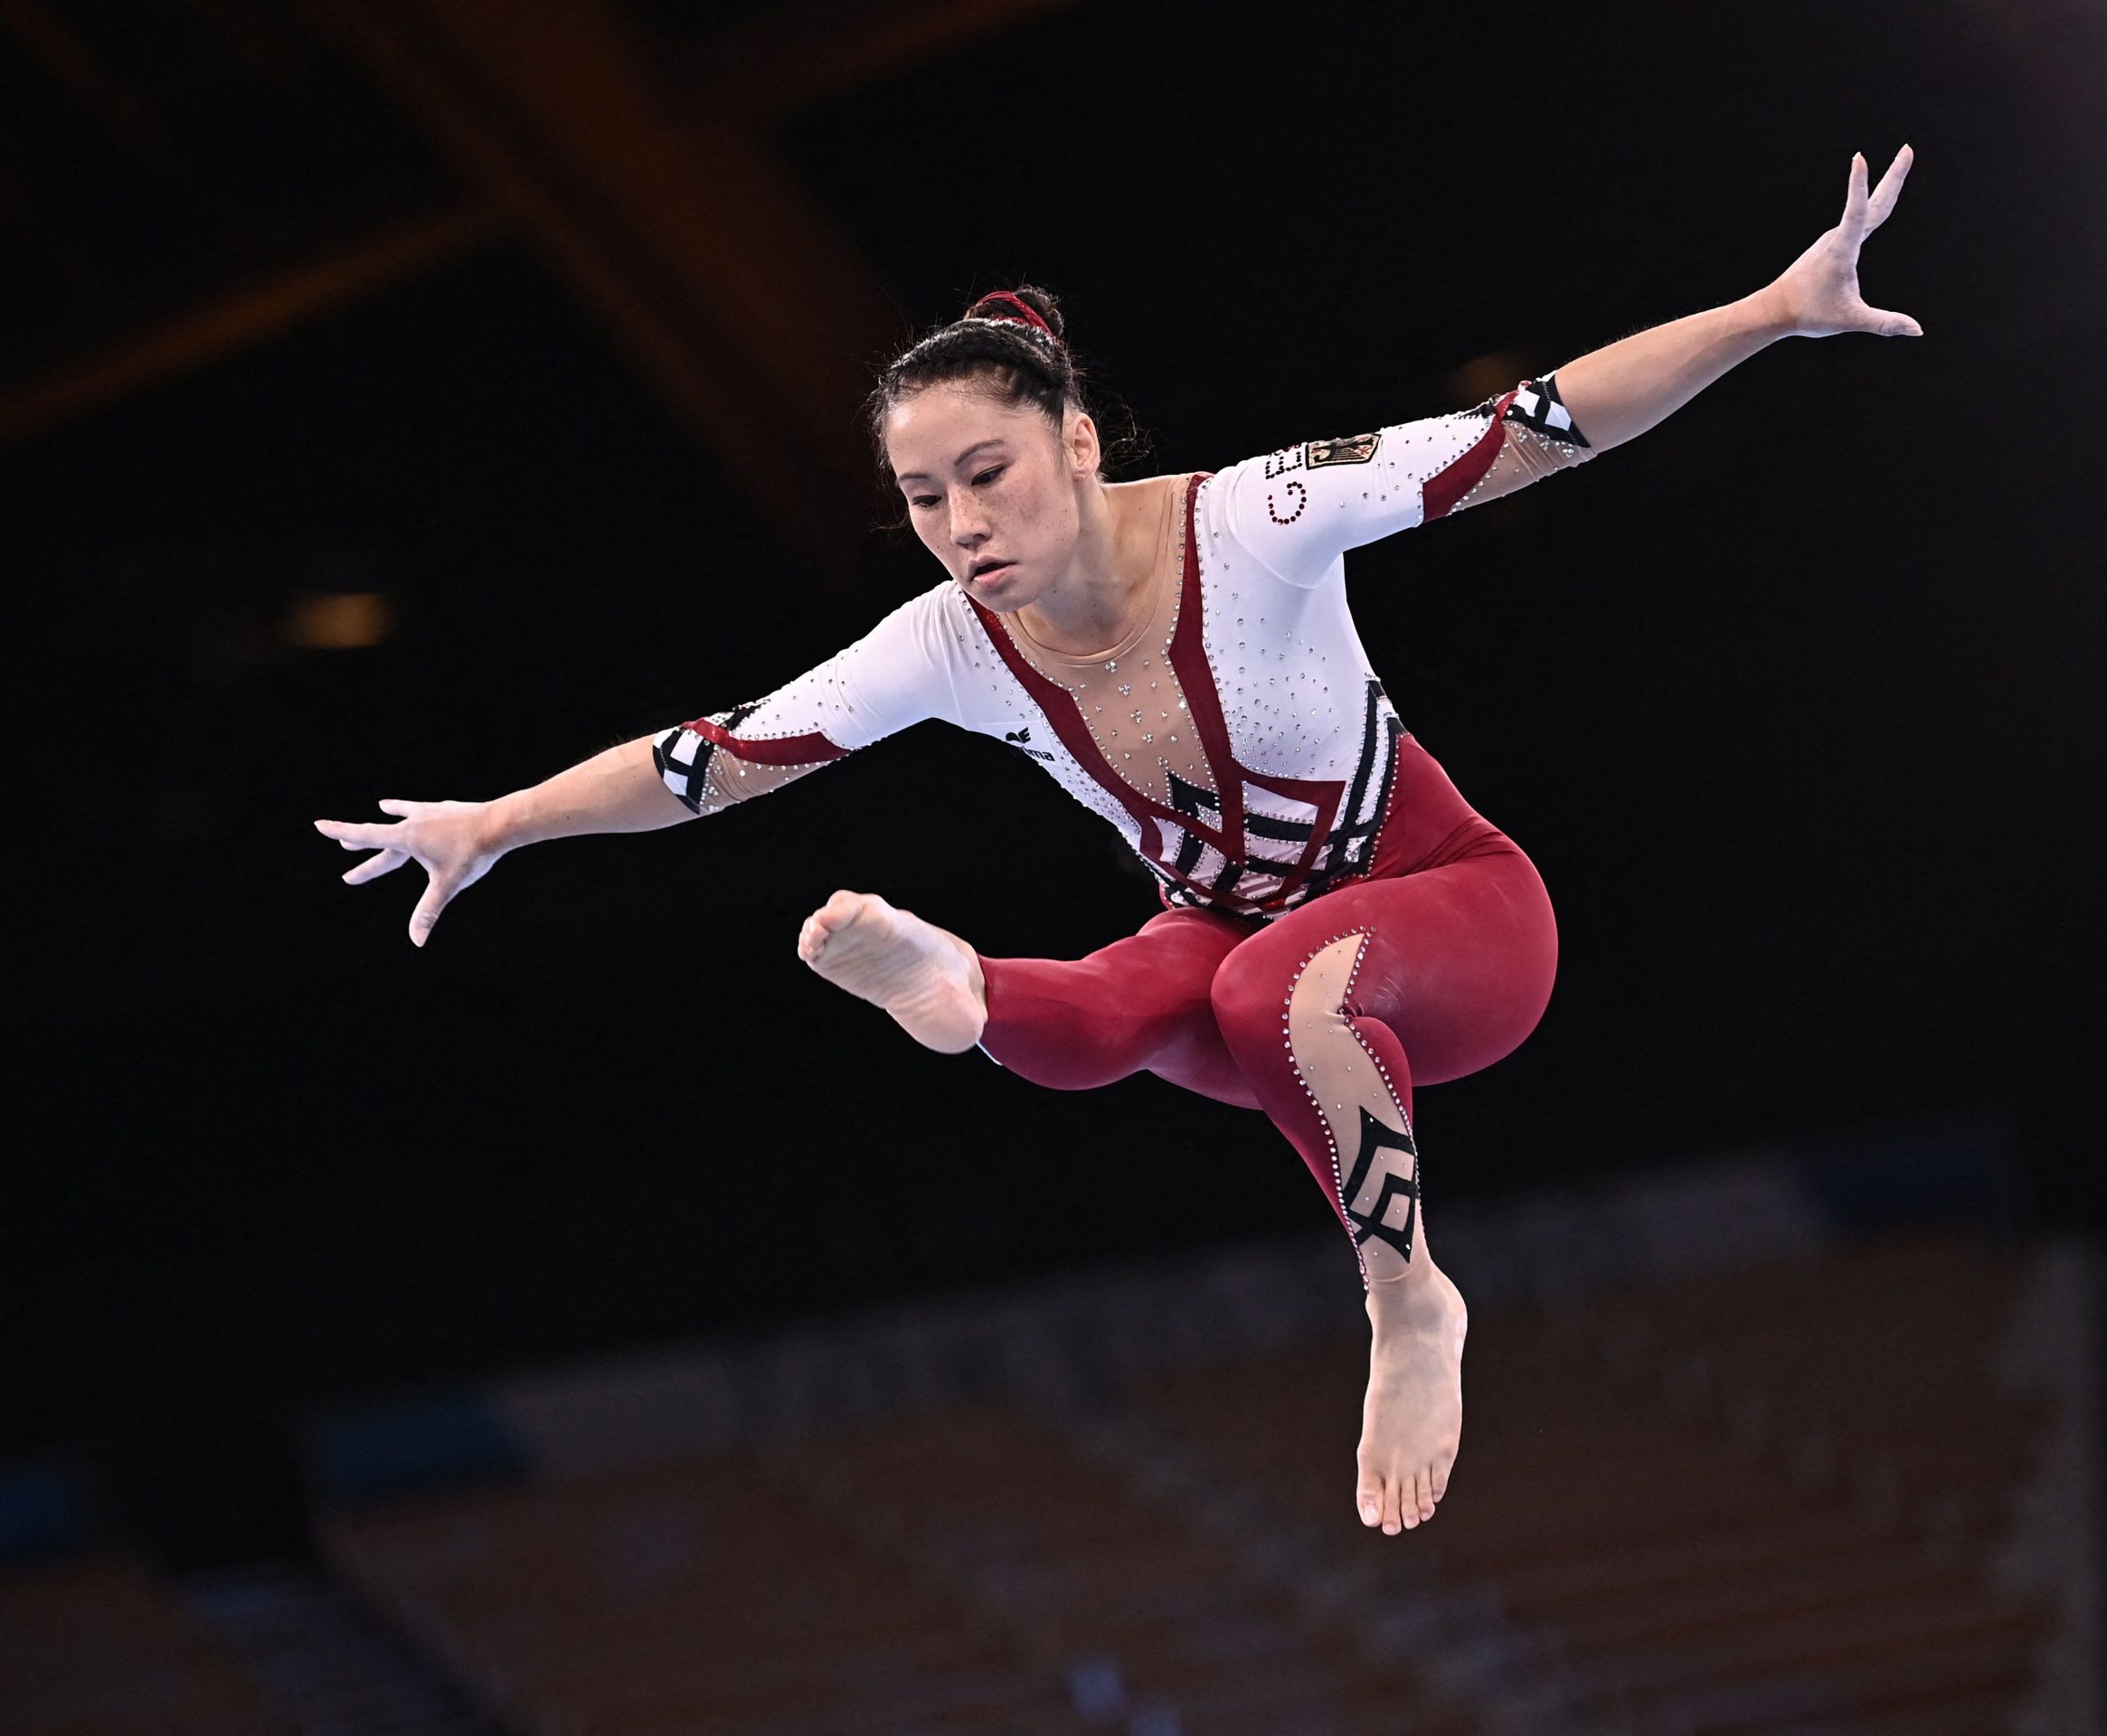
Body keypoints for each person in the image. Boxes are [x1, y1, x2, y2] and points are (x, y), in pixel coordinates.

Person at [317, 148, 1919, 1538]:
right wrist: (499, 822)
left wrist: (1774, 310)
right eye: (923, 497)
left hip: (1451, 916)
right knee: (1110, 1014)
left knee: (1263, 990)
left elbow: (1541, 425)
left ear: (1077, 443)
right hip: (1232, 964)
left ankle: (1406, 1293)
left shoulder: (1255, 522)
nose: (959, 525)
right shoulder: (944, 643)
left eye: (988, 475)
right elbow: (711, 760)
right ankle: (956, 992)